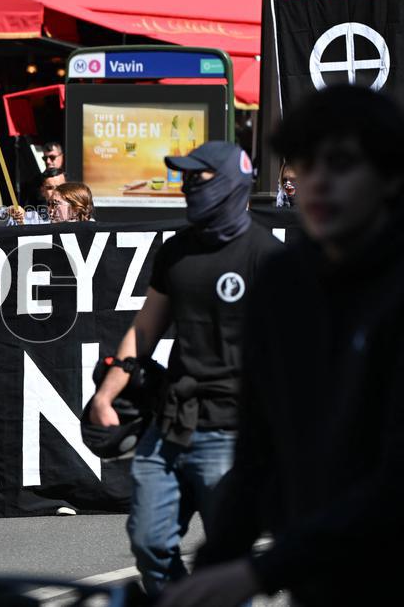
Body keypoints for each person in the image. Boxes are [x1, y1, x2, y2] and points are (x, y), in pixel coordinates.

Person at [158, 86, 404, 607]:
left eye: (341, 164)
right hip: (319, 579)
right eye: (306, 164)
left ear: (389, 175)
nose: (318, 181)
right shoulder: (284, 282)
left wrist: (261, 571)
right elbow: (258, 453)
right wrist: (212, 570)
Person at [87, 141, 281, 599]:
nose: (189, 185)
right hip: (171, 425)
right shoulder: (176, 251)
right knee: (150, 542)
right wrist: (105, 394)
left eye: (200, 176)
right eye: (185, 177)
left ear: (234, 181)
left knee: (229, 561)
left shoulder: (266, 256)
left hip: (233, 434)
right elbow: (146, 327)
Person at [0, 167, 66, 226]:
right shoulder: (33, 218)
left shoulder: (75, 212)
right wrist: (8, 211)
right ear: (42, 191)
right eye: (50, 188)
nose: (55, 191)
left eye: (60, 187)